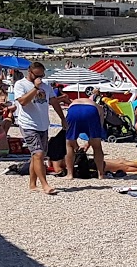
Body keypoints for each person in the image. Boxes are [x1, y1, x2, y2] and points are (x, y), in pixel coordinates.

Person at [13, 61, 56, 195]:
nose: (39, 78)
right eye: (37, 75)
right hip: (28, 124)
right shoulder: (20, 84)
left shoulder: (46, 85)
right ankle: (45, 185)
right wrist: (35, 88)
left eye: (42, 76)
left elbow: (53, 101)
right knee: (38, 154)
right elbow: (23, 102)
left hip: (43, 124)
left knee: (36, 156)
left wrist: (63, 119)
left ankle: (32, 184)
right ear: (29, 72)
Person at [63, 88, 108, 180]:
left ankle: (70, 174)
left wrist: (76, 146)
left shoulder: (74, 102)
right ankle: (101, 175)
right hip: (91, 111)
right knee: (97, 146)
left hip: (73, 111)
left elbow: (66, 127)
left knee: (69, 145)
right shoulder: (98, 106)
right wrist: (89, 143)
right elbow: (99, 128)